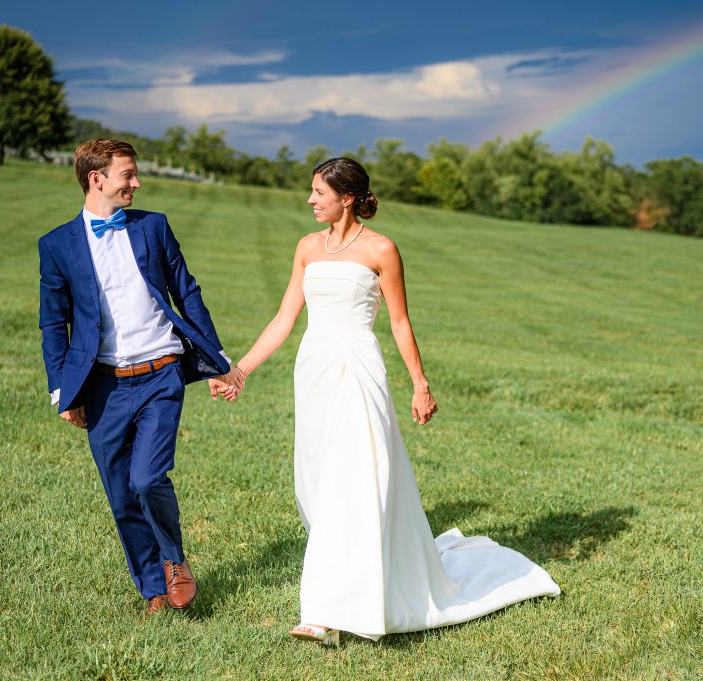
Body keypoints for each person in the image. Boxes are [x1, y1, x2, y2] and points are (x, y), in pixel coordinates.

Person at [229, 157, 560, 646]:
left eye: (318, 192)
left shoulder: (382, 249)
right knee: (317, 481)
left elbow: (400, 323)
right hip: (314, 368)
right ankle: (351, 580)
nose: (310, 199)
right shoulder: (305, 248)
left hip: (360, 368)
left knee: (356, 478)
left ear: (346, 197)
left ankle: (324, 613)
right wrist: (241, 369)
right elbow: (284, 318)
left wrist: (420, 383)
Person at [38, 139, 245, 617]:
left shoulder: (154, 226)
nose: (137, 182)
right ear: (98, 179)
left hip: (160, 375)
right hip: (102, 385)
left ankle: (174, 560)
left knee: (147, 478)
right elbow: (54, 323)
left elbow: (186, 292)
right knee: (120, 493)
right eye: (128, 175)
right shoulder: (56, 245)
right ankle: (153, 588)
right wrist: (61, 390)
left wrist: (218, 361)